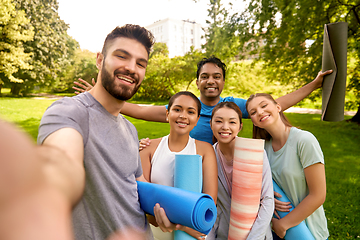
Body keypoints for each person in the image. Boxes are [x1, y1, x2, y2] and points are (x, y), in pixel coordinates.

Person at [36, 24, 179, 240]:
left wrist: (162, 213)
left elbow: (137, 190)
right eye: (122, 56)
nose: (132, 68)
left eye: (141, 63)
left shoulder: (130, 130)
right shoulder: (69, 112)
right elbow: (63, 165)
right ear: (100, 60)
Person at [73, 57, 333, 145]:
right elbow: (141, 110)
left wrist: (314, 85)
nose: (211, 81)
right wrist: (102, 97)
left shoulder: (232, 107)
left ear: (223, 82)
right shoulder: (186, 107)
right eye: (205, 76)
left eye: (217, 77)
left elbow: (274, 105)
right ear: (197, 81)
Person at [245, 93, 329, 240]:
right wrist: (266, 197)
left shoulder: (304, 140)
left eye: (264, 106)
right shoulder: (263, 150)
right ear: (255, 122)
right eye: (253, 112)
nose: (259, 112)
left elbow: (318, 195)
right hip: (275, 229)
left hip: (307, 230)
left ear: (278, 107)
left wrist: (284, 224)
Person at [140, 91, 218, 240]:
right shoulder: (148, 148)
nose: (183, 116)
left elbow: (209, 201)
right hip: (156, 232)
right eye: (177, 109)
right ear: (167, 114)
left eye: (190, 112)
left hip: (193, 233)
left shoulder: (205, 150)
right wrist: (184, 225)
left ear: (197, 119)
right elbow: (143, 200)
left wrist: (184, 228)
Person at [206, 102, 273, 240]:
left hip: (256, 234)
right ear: (211, 124)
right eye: (218, 121)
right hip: (221, 234)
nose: (225, 127)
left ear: (240, 126)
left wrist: (253, 238)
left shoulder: (256, 153)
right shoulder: (208, 156)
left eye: (232, 122)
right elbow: (208, 203)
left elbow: (267, 200)